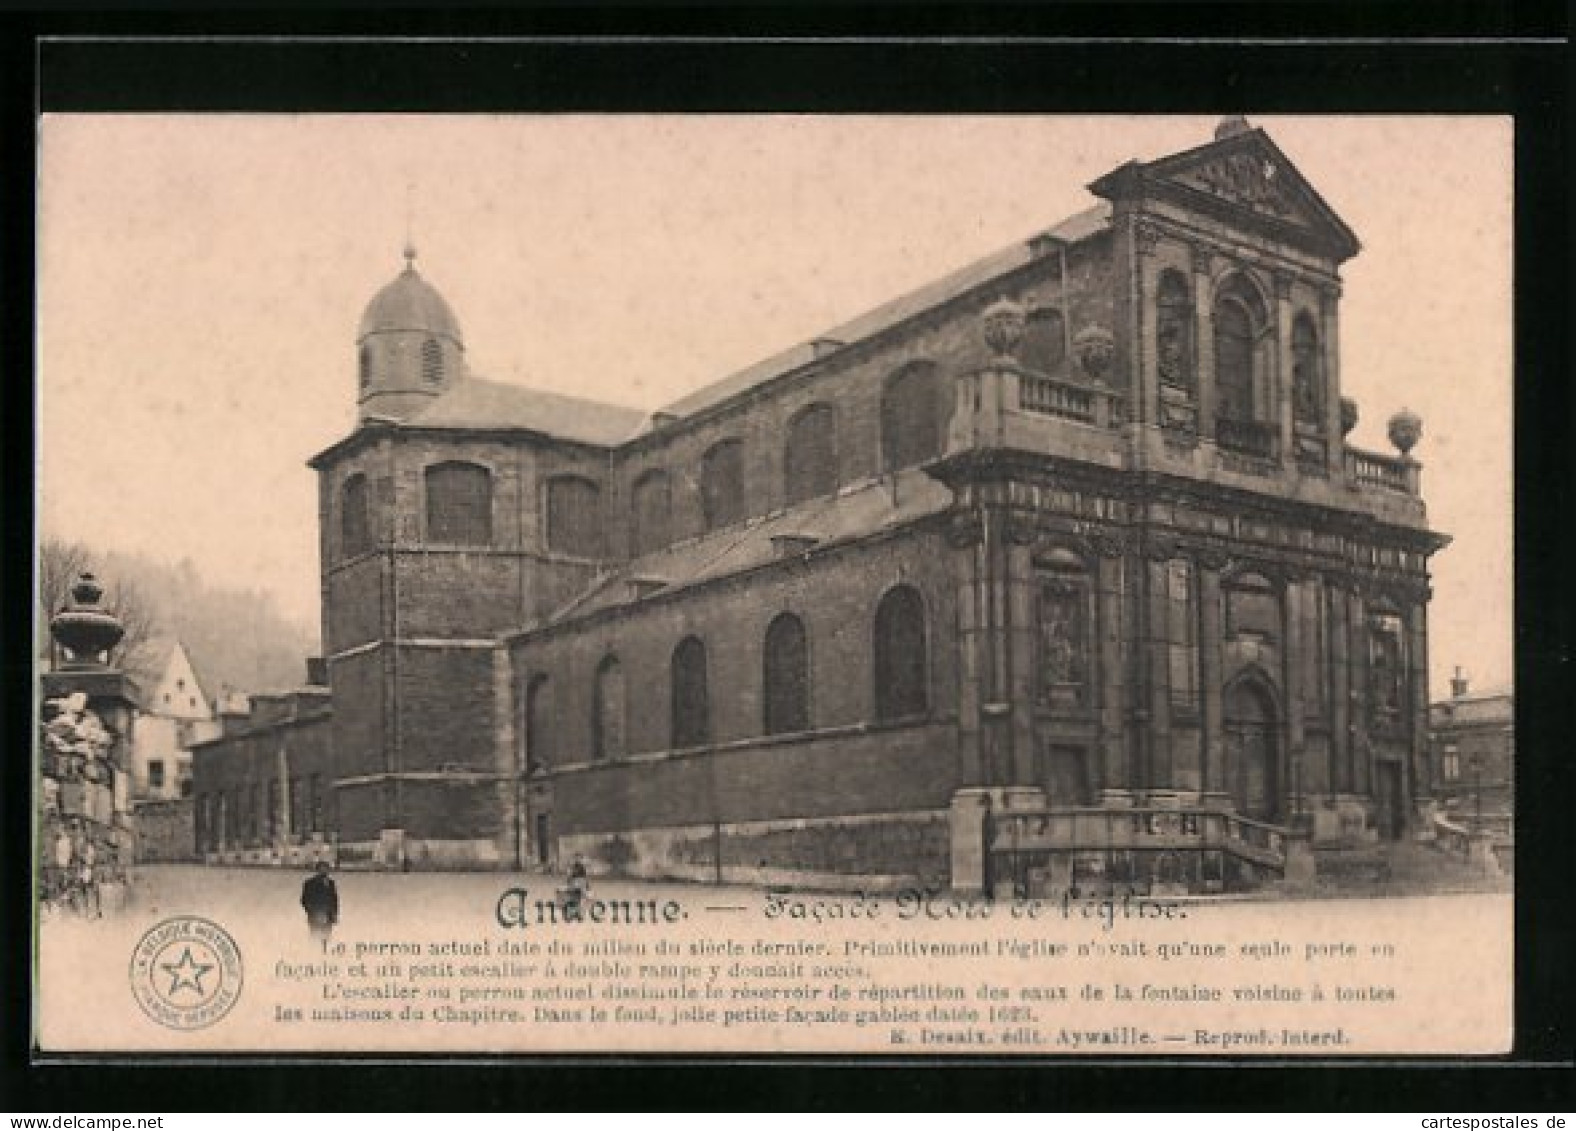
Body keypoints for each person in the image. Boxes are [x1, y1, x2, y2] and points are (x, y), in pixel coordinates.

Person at [300, 860, 339, 951]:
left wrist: (335, 914)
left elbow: (334, 900)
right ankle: (313, 953)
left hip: (329, 915)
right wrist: (312, 912)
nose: (325, 871)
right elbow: (304, 900)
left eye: (326, 869)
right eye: (322, 869)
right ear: (317, 870)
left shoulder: (331, 883)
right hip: (315, 915)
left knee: (326, 937)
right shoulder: (309, 883)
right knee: (315, 936)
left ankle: (324, 954)